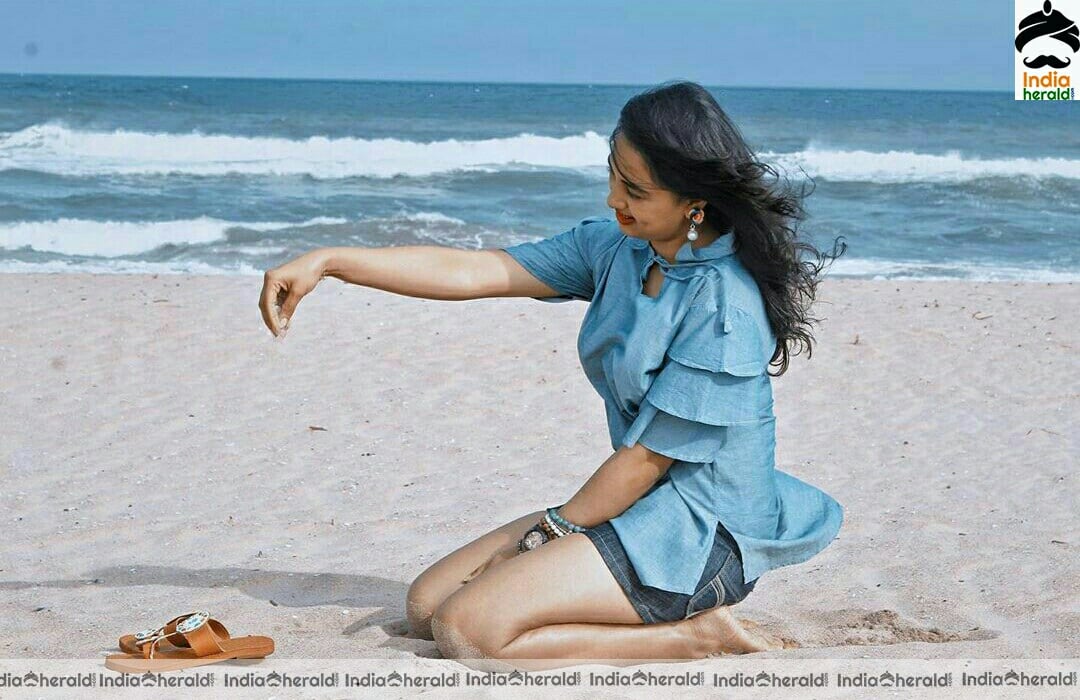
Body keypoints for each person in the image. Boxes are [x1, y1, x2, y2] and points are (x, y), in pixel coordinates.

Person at [258, 80, 846, 671]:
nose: (616, 197)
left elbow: (646, 458)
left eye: (636, 189)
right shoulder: (622, 246)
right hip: (636, 502)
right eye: (614, 173)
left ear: (695, 201)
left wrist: (549, 533)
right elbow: (478, 271)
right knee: (425, 605)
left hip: (701, 534)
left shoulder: (724, 308)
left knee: (468, 630)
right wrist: (331, 262)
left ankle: (694, 636)